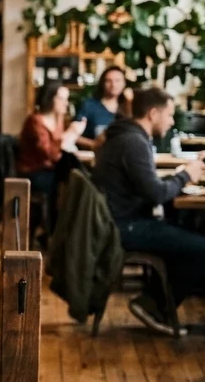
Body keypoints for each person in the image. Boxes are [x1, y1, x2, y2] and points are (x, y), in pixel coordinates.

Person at [91, 86, 205, 323]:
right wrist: (185, 175)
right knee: (199, 247)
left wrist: (180, 175)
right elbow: (155, 194)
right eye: (170, 114)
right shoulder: (134, 142)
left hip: (117, 219)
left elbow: (148, 185)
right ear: (153, 113)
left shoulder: (125, 135)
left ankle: (156, 301)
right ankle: (153, 305)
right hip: (122, 226)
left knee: (185, 231)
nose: (172, 121)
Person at [17, 80, 84, 197]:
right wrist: (69, 133)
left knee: (78, 176)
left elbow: (59, 150)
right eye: (61, 99)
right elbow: (50, 154)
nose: (66, 103)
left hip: (51, 169)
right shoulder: (35, 121)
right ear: (49, 98)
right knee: (72, 182)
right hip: (34, 172)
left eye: (66, 99)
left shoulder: (58, 119)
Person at [76, 66, 129, 149]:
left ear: (124, 83)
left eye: (117, 81)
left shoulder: (128, 107)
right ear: (102, 83)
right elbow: (74, 136)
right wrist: (93, 144)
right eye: (109, 81)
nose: (113, 85)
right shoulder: (89, 106)